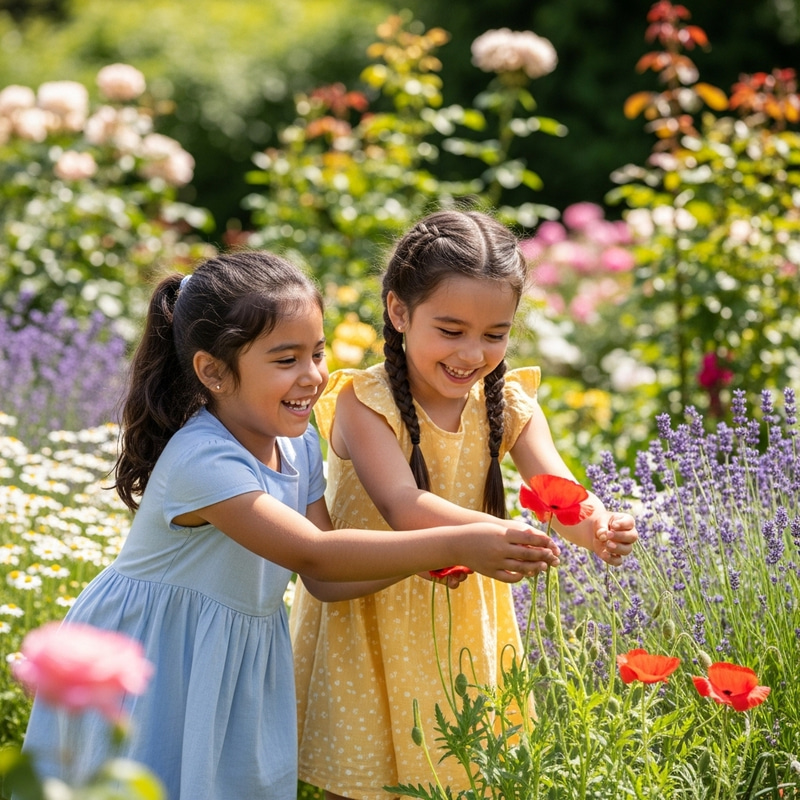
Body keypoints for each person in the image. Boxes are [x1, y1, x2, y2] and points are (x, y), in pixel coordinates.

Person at [18, 251, 562, 800]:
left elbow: (324, 579)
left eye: (317, 353)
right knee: (140, 781)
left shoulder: (296, 445)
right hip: (158, 649)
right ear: (213, 372)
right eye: (286, 360)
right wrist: (459, 541)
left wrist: (425, 559)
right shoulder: (203, 459)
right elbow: (314, 555)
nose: (313, 376)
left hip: (231, 652)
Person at [289, 210, 639, 800]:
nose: (472, 353)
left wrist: (600, 526)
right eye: (450, 331)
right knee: (363, 781)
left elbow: (557, 490)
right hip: (371, 613)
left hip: (464, 624)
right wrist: (494, 533)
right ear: (399, 312)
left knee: (466, 774)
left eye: (494, 334)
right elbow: (403, 505)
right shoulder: (365, 403)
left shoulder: (510, 403)